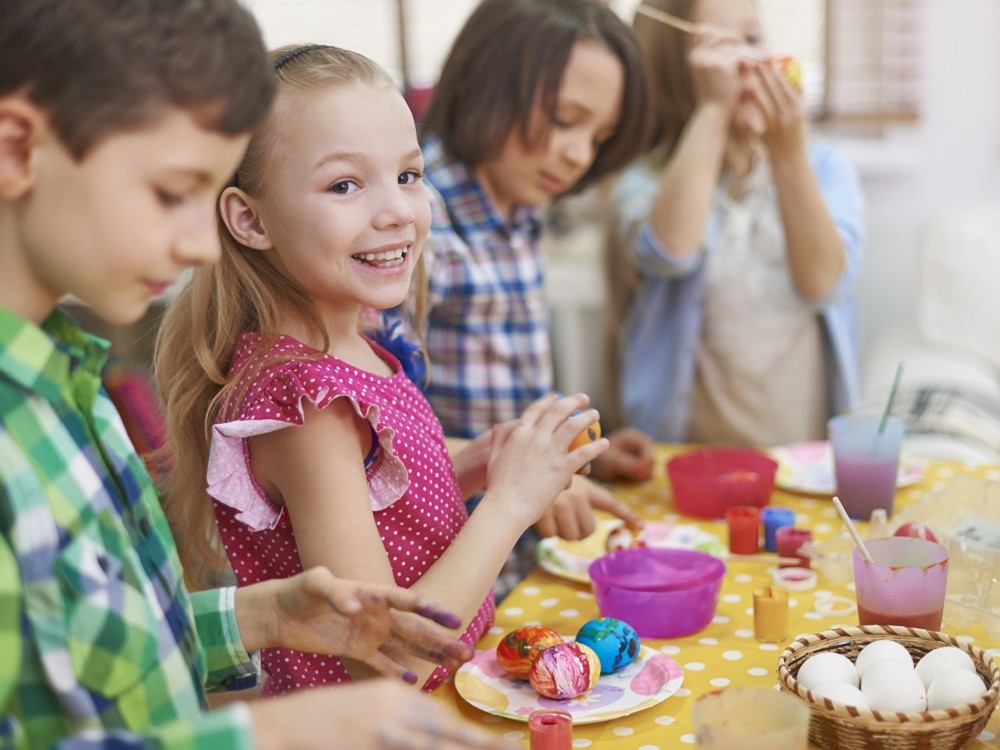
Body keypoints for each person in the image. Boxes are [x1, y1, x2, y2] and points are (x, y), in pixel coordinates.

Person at [0, 2, 517, 748]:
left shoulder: (66, 383)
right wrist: (267, 734)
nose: (200, 244)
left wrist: (264, 616)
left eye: (409, 175)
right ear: (18, 150)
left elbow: (98, 638)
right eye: (172, 191)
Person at [153, 44, 607, 696]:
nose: (396, 209)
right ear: (250, 219)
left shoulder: (355, 343)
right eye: (345, 185)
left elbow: (378, 508)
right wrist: (510, 503)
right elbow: (389, 651)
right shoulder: (305, 405)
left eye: (409, 175)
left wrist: (479, 460)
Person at [408, 0, 658, 595]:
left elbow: (506, 381)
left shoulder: (519, 208)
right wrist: (527, 473)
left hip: (513, 563)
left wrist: (569, 452)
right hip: (443, 570)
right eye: (565, 118)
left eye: (598, 137)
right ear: (484, 80)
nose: (578, 155)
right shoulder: (420, 227)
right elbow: (371, 438)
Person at [604, 0, 865, 446]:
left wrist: (787, 154)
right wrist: (713, 111)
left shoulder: (823, 166)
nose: (748, 61)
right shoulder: (643, 180)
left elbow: (823, 283)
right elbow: (670, 252)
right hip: (681, 463)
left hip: (801, 462)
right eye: (720, 49)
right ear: (673, 71)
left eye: (751, 38)